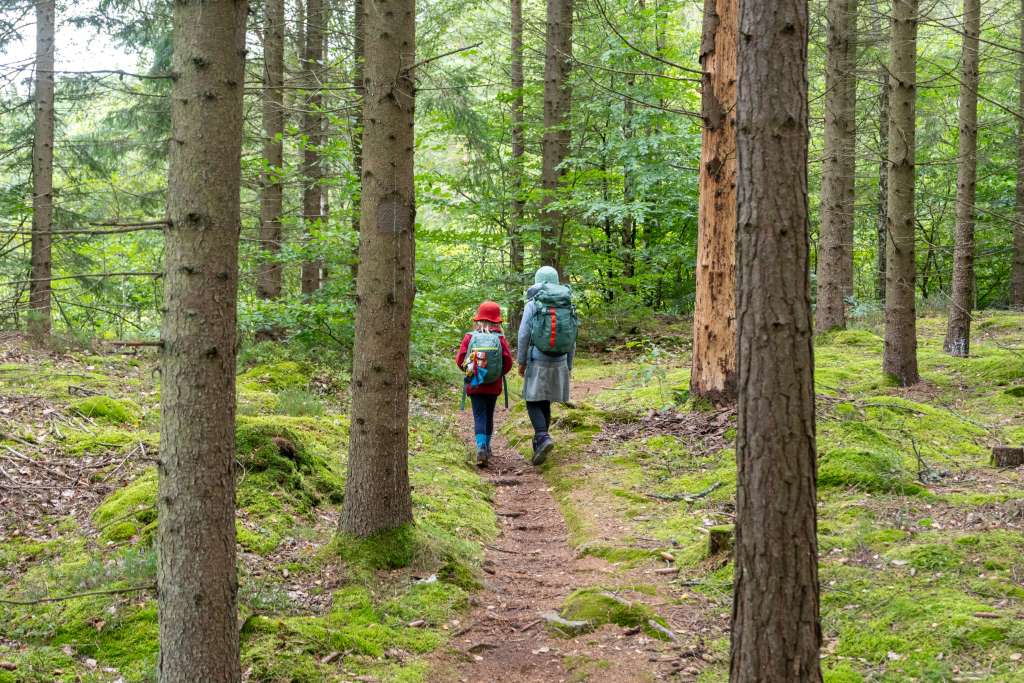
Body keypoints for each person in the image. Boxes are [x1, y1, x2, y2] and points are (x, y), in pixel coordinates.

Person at [517, 266, 576, 466]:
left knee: (533, 400)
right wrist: (569, 364)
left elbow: (524, 334)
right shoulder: (567, 303)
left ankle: (542, 437)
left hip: (537, 359)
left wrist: (521, 361)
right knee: (546, 400)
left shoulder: (534, 303)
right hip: (559, 359)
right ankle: (541, 441)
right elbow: (572, 336)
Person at [456, 301, 514, 467]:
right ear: (497, 321)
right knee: (489, 415)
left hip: (475, 384)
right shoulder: (500, 338)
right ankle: (487, 447)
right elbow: (508, 361)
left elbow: (460, 359)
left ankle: (480, 446)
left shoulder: (470, 337)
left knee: (479, 415)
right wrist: (497, 374)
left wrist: (470, 371)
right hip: (493, 385)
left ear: (478, 319)